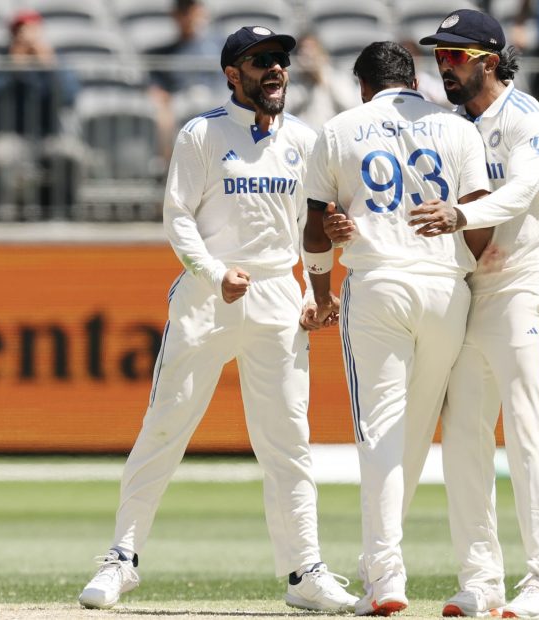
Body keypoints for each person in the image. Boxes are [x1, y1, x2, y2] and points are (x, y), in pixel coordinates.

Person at [77, 26, 357, 613]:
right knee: (164, 428)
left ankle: (304, 571)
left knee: (288, 443)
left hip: (280, 297)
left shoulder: (306, 139)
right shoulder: (202, 134)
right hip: (209, 299)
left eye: (280, 59)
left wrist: (313, 284)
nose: (276, 69)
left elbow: (311, 224)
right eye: (262, 61)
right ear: (233, 74)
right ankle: (121, 560)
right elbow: (177, 217)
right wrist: (211, 273)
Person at [302, 40, 492, 617]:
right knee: (411, 434)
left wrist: (319, 291)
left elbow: (314, 231)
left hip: (378, 283)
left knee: (379, 433)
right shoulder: (457, 128)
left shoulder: (339, 128)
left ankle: (384, 576)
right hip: (445, 287)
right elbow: (480, 224)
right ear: (412, 77)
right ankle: (380, 565)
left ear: (363, 85)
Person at [409, 10, 539, 618]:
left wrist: (458, 216)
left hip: (529, 287)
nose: (442, 67)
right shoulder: (450, 127)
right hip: (470, 293)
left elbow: (518, 193)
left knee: (533, 433)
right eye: (438, 57)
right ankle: (481, 579)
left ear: (489, 60)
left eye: (454, 57)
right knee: (464, 439)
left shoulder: (528, 118)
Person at [0, 9, 83, 219]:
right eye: (20, 32)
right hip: (11, 134)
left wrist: (50, 65)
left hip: (48, 135)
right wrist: (12, 68)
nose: (26, 38)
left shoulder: (54, 60)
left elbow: (70, 95)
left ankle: (65, 214)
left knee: (71, 154)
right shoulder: (3, 60)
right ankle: (3, 217)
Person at [144, 0, 225, 161]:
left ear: (201, 12)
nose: (188, 16)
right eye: (183, 11)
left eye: (191, 10)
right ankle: (169, 171)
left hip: (218, 98)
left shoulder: (220, 45)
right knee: (163, 116)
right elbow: (156, 88)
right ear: (175, 15)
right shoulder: (163, 52)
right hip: (179, 102)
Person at [286, 32, 357, 129]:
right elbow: (287, 109)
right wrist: (305, 85)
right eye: (302, 49)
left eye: (311, 49)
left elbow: (349, 105)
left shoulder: (337, 77)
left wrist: (323, 77)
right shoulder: (292, 81)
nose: (306, 54)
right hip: (300, 136)